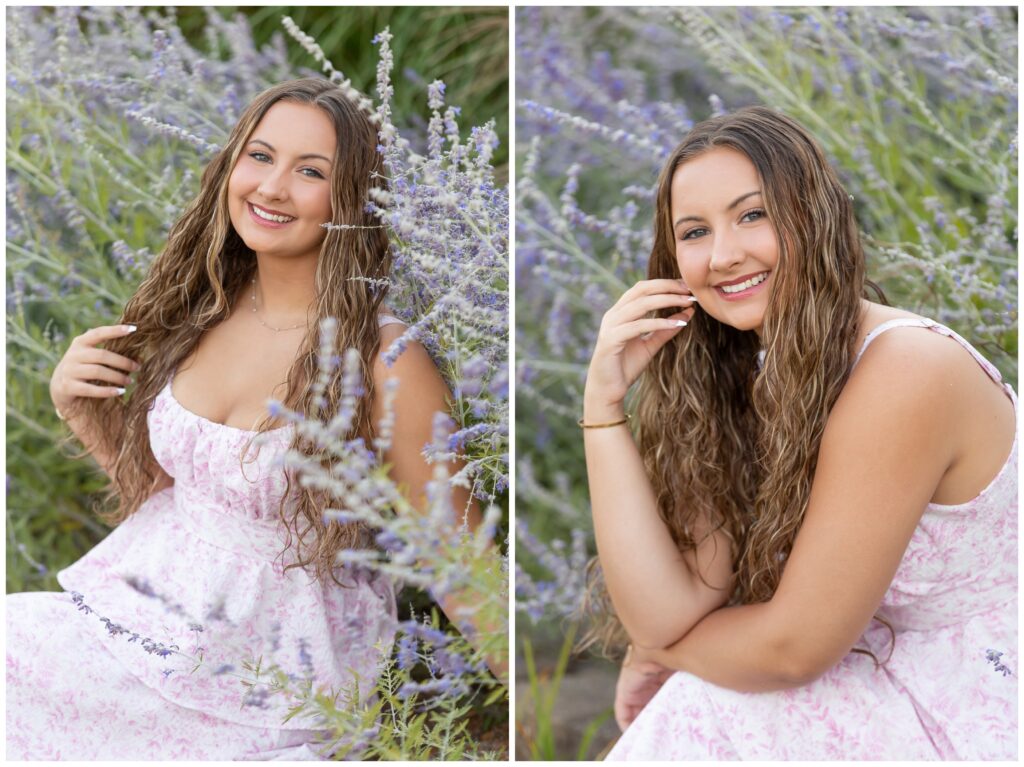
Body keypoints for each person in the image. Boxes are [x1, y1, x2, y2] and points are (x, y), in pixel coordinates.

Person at [7, 78, 488, 760]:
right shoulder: (202, 305)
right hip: (132, 629)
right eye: (260, 156)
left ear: (352, 201)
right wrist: (79, 408)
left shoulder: (383, 359)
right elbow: (171, 502)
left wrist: (534, 719)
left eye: (311, 171)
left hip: (265, 687)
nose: (271, 187)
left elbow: (460, 562)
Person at [581, 106, 1016, 760]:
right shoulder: (747, 371)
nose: (724, 255)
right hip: (886, 670)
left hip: (983, 689)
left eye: (752, 214)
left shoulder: (906, 372)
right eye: (695, 231)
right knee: (708, 701)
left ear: (811, 214)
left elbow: (791, 650)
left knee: (713, 701)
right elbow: (672, 606)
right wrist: (602, 406)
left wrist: (665, 652)